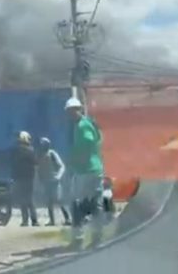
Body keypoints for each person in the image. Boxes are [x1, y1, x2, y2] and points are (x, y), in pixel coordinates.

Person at [65, 96, 105, 247]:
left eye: (72, 111)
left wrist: (75, 157)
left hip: (85, 170)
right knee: (95, 204)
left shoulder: (81, 126)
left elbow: (87, 141)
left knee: (77, 204)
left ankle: (78, 239)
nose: (70, 114)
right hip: (95, 168)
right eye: (69, 111)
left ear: (79, 110)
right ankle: (97, 237)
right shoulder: (89, 123)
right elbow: (99, 139)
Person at [38, 137, 71, 226]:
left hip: (54, 181)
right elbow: (40, 168)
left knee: (59, 200)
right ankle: (52, 221)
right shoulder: (41, 155)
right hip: (46, 181)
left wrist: (58, 176)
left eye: (43, 144)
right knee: (49, 201)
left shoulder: (52, 154)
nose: (41, 146)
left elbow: (62, 166)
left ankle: (68, 218)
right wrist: (40, 178)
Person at [11, 131, 38, 227]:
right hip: (28, 178)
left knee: (24, 201)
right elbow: (35, 164)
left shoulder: (18, 150)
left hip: (22, 178)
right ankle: (34, 221)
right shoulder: (30, 150)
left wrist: (14, 176)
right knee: (29, 200)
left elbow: (14, 165)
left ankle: (26, 220)